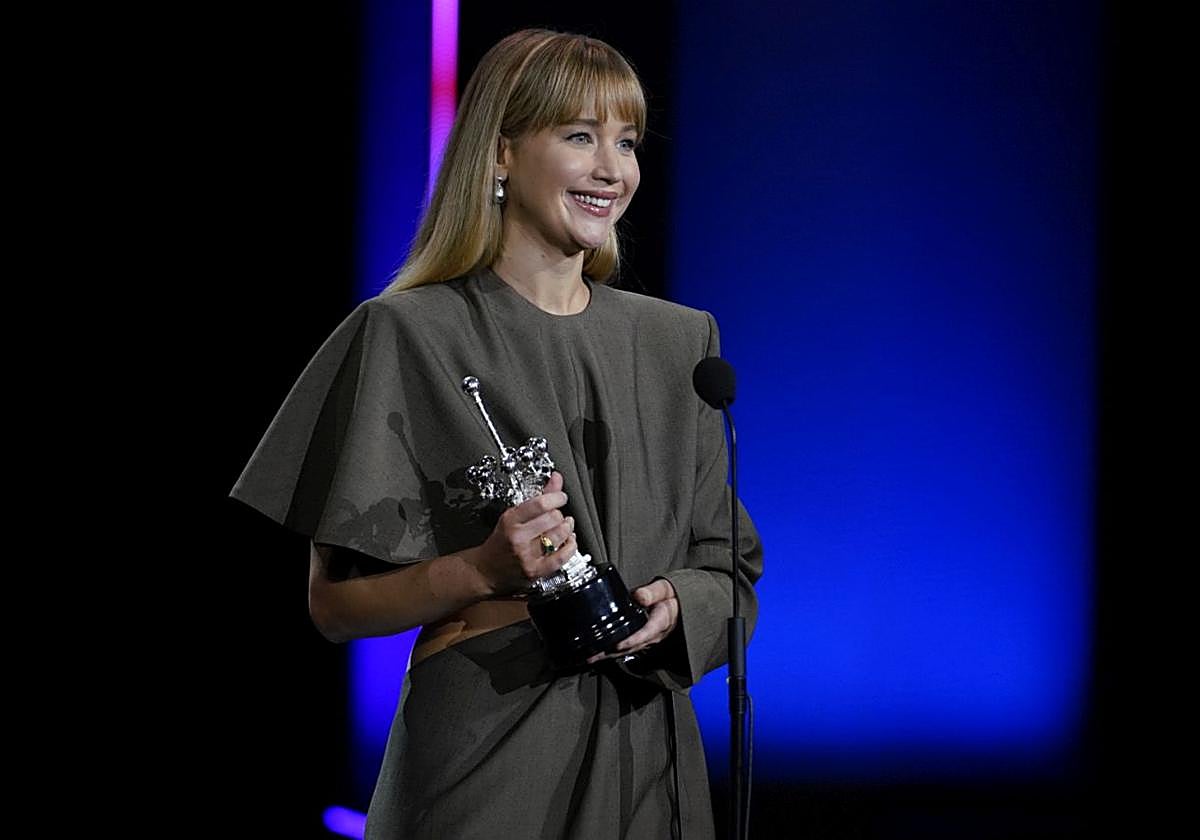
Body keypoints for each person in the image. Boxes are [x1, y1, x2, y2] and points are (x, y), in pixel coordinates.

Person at [228, 27, 763, 840]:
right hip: (487, 755)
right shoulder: (408, 334)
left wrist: (675, 605)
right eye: (579, 136)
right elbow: (335, 607)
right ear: (501, 153)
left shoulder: (678, 344)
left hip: (645, 761)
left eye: (626, 142)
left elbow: (732, 573)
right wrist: (481, 568)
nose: (612, 170)